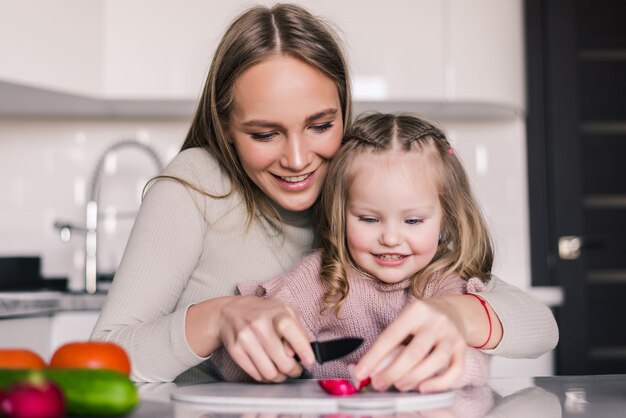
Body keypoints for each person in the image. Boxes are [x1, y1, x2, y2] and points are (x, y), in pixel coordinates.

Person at [91, 3, 558, 390]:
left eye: (320, 125)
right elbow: (100, 359)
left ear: (344, 108)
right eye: (264, 133)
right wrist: (218, 317)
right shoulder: (195, 185)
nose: (298, 159)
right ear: (226, 127)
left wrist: (459, 315)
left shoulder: (363, 184)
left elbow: (538, 325)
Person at [212, 112, 494, 392]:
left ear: (445, 218)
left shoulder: (444, 285)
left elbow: (475, 362)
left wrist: (439, 365)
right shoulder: (315, 281)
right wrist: (270, 353)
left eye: (413, 221)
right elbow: (238, 355)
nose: (391, 238)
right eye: (369, 219)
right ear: (341, 213)